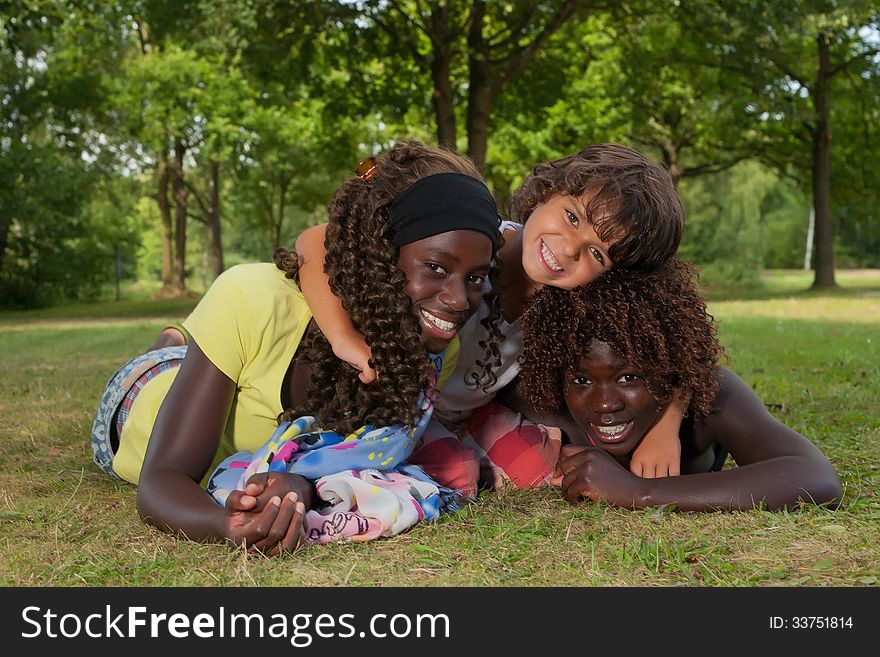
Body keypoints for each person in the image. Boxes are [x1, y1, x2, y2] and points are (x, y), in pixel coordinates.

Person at [90, 141, 502, 553]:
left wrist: (298, 486)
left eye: (475, 278)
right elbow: (161, 480)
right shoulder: (250, 297)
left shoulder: (431, 347)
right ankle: (169, 343)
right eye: (436, 267)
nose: (458, 300)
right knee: (160, 364)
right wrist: (227, 525)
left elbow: (347, 456)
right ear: (377, 252)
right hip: (135, 406)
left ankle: (181, 341)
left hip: (219, 363)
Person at [295, 144, 688, 498]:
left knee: (541, 467)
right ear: (547, 192)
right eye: (571, 217)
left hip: (469, 412)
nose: (569, 249)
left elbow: (681, 346)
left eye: (597, 254)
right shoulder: (471, 237)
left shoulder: (571, 303)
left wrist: (666, 427)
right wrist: (343, 338)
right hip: (400, 403)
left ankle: (464, 452)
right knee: (457, 474)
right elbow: (314, 240)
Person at [517, 259, 843, 511]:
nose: (604, 404)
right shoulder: (546, 407)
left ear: (670, 368)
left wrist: (636, 492)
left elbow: (816, 478)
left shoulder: (708, 399)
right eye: (582, 380)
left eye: (629, 377)